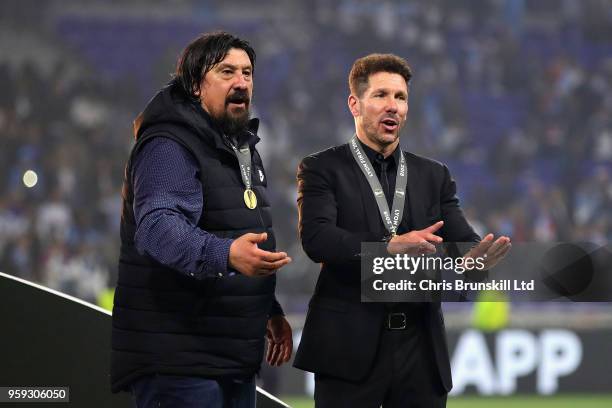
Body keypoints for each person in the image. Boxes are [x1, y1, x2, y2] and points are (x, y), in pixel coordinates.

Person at [293, 54, 511, 407]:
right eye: (380, 95)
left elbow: (461, 239)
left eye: (400, 97)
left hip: (420, 349)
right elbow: (317, 240)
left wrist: (474, 259)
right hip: (349, 348)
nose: (392, 106)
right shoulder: (322, 168)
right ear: (355, 103)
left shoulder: (432, 175)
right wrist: (387, 246)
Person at [110, 31, 293, 408]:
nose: (241, 82)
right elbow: (158, 227)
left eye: (247, 72)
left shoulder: (235, 146)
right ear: (195, 85)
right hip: (179, 361)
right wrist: (226, 255)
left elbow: (233, 229)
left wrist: (266, 309)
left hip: (226, 357)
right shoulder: (170, 144)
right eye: (227, 72)